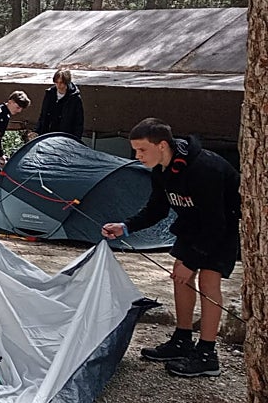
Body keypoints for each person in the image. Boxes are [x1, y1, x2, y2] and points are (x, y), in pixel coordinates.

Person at [101, 118, 240, 378]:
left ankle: (207, 354)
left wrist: (193, 260)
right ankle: (182, 339)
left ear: (162, 145)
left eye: (142, 150)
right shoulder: (161, 171)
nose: (138, 156)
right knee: (180, 275)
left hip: (221, 227)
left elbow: (216, 221)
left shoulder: (204, 168)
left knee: (209, 281)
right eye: (135, 150)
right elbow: (157, 209)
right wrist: (126, 227)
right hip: (192, 224)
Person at [34, 68, 84, 141]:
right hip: (48, 135)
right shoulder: (50, 94)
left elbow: (79, 121)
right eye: (56, 82)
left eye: (61, 82)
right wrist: (37, 131)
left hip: (66, 137)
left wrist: (76, 139)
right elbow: (43, 115)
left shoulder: (75, 98)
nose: (58, 85)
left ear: (66, 82)